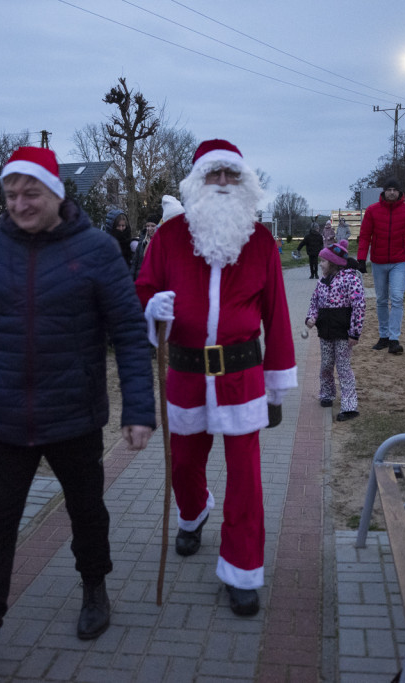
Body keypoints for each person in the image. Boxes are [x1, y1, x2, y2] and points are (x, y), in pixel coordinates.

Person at [0, 146, 156, 682]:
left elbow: (127, 330)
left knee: (87, 511)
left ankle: (94, 587)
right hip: (5, 418)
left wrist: (139, 408)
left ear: (57, 193)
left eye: (31, 193)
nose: (20, 203)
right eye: (10, 194)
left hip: (73, 414)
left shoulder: (97, 249)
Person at [135, 138, 297, 617]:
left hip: (241, 376)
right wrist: (151, 308)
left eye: (232, 175)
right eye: (214, 175)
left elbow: (278, 315)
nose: (223, 183)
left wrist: (276, 381)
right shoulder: (167, 238)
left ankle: (242, 569)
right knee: (183, 465)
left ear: (245, 182)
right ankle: (193, 512)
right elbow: (144, 287)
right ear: (197, 183)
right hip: (184, 374)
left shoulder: (262, 240)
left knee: (246, 479)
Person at [355, 177, 405, 355]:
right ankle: (383, 336)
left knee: (397, 298)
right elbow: (365, 236)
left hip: (399, 262)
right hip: (378, 261)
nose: (391, 192)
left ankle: (394, 338)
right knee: (381, 300)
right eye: (389, 189)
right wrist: (362, 259)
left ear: (400, 192)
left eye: (395, 189)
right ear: (384, 192)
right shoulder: (372, 211)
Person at [304, 240, 365, 420]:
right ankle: (327, 394)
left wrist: (355, 331)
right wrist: (310, 317)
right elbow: (314, 301)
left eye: (323, 261)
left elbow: (359, 305)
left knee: (343, 367)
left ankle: (349, 406)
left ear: (332, 263)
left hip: (343, 332)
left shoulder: (350, 279)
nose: (320, 263)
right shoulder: (322, 281)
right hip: (325, 331)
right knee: (326, 365)